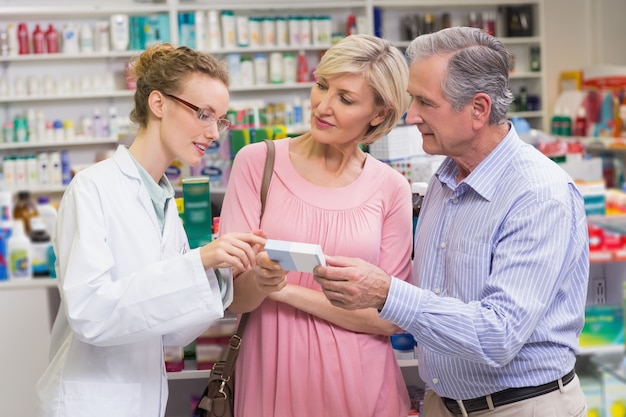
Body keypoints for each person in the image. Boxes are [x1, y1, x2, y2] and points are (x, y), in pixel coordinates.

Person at [313, 26, 589, 417]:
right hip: (443, 404)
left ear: (478, 109)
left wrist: (388, 293)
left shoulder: (538, 194)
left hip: (520, 407)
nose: (411, 116)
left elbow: (499, 335)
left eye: (425, 103)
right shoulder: (445, 178)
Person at [35, 44, 266, 417]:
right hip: (90, 402)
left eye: (220, 121)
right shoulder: (93, 187)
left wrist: (224, 277)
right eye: (203, 114)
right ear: (159, 104)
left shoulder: (162, 200)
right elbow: (89, 314)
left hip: (141, 399)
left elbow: (170, 333)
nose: (213, 133)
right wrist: (200, 261)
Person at [218, 34, 413, 417]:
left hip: (363, 381)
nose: (322, 106)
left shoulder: (391, 188)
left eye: (346, 98)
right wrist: (258, 282)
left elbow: (389, 317)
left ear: (378, 113)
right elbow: (231, 298)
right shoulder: (258, 163)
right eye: (322, 85)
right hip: (272, 372)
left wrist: (283, 290)